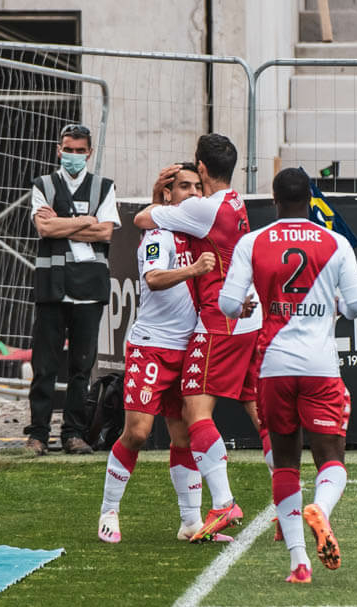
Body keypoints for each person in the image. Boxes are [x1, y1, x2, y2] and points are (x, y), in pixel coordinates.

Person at [219, 168, 357, 583]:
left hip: (274, 366)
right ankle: (321, 508)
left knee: (285, 463)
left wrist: (247, 305)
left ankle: (298, 562)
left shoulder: (253, 242)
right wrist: (336, 304)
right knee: (331, 457)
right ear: (310, 199)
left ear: (274, 200)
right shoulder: (335, 243)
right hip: (320, 366)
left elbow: (228, 304)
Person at [133, 134, 263, 542]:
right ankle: (287, 498)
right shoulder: (235, 201)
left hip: (220, 319)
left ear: (202, 168)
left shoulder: (199, 209)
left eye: (194, 179)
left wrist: (159, 195)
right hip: (248, 315)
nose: (190, 188)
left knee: (195, 413)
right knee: (257, 410)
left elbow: (142, 220)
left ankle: (223, 502)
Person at [97, 163, 230, 544]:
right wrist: (193, 270)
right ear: (168, 195)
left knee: (184, 435)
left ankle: (190, 522)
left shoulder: (200, 231)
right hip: (152, 346)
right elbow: (153, 279)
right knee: (138, 433)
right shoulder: (158, 234)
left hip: (190, 346)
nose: (193, 194)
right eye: (184, 187)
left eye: (198, 187)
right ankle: (109, 510)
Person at [23, 123, 120, 456]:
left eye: (80, 151)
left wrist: (61, 224)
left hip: (89, 287)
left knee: (82, 366)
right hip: (52, 284)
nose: (74, 155)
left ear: (89, 153)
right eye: (69, 149)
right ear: (58, 150)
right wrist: (85, 220)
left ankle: (74, 433)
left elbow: (105, 233)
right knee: (44, 365)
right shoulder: (43, 185)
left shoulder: (104, 187)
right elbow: (44, 228)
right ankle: (38, 433)